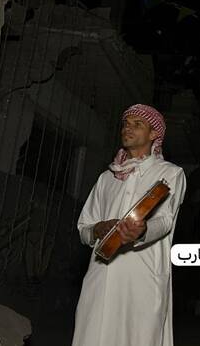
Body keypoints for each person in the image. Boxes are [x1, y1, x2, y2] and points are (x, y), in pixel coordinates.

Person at [72, 104, 186, 346]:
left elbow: (165, 219)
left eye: (137, 124)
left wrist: (142, 231)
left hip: (142, 273)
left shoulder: (170, 173)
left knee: (139, 336)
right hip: (102, 273)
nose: (128, 128)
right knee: (94, 334)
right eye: (125, 123)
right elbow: (84, 227)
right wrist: (98, 229)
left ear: (154, 134)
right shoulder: (107, 178)